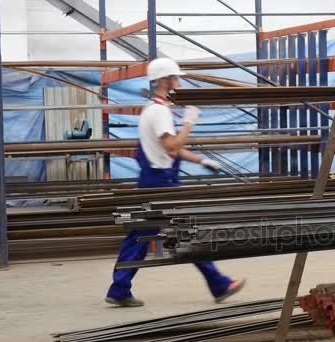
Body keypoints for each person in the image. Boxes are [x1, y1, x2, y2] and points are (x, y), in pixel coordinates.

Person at [105, 58, 245, 307]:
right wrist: (189, 124)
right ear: (164, 81)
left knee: (140, 235)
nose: (179, 82)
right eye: (175, 78)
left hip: (153, 181)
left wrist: (200, 160)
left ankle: (119, 288)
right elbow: (171, 147)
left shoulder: (153, 109)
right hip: (162, 183)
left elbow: (170, 148)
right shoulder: (159, 112)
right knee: (184, 234)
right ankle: (219, 283)